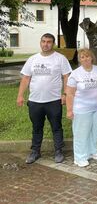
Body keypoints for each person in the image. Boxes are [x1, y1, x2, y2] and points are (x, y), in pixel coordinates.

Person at [17, 33, 72, 164]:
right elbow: (26, 78)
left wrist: (65, 94)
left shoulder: (60, 59)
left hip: (53, 101)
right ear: (40, 42)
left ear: (53, 44)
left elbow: (66, 76)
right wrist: (20, 95)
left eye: (49, 42)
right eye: (43, 41)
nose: (46, 44)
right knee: (37, 127)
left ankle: (58, 151)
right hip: (35, 101)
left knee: (56, 127)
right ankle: (35, 151)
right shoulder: (32, 59)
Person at [66, 49, 97, 167]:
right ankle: (79, 157)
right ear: (79, 59)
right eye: (82, 57)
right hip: (82, 108)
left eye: (87, 56)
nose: (85, 59)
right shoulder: (75, 74)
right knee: (81, 133)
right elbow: (70, 93)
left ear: (92, 57)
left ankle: (92, 151)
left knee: (95, 131)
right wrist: (69, 110)